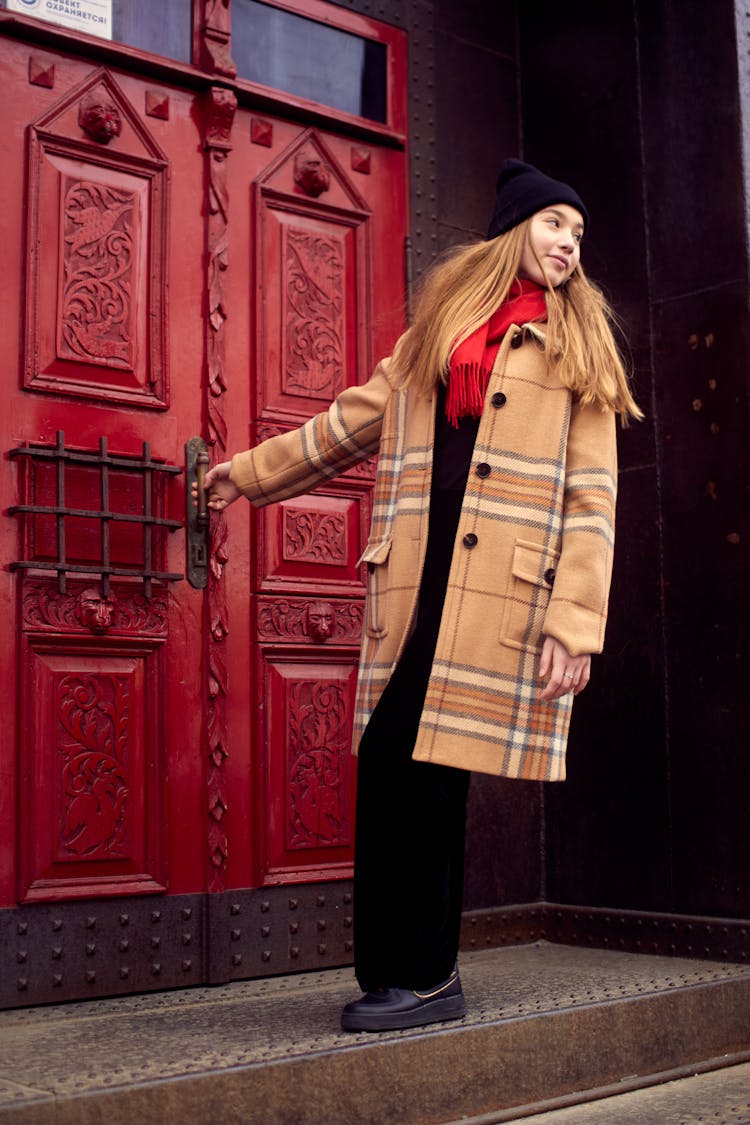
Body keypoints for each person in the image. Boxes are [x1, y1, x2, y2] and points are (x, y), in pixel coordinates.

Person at [197, 159, 642, 1033]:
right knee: (392, 767)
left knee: (430, 776)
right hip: (414, 581)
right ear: (516, 230)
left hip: (500, 595)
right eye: (556, 225)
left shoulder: (579, 351)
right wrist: (243, 477)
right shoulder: (431, 342)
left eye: (580, 234)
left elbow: (594, 499)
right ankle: (394, 971)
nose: (570, 245)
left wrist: (578, 622)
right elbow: (340, 427)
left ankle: (430, 976)